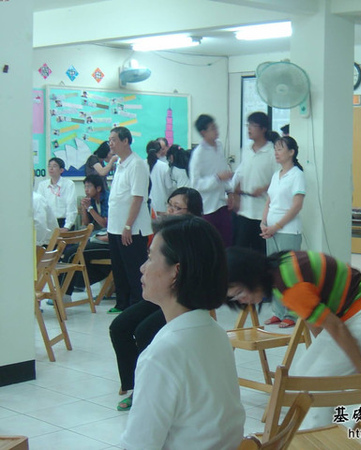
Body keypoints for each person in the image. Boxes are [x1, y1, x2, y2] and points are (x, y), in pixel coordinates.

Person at [226, 247, 361, 428]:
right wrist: (325, 348)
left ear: (250, 276)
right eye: (234, 298)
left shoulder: (289, 288)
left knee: (318, 384)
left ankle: (318, 436)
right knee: (303, 370)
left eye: (239, 293)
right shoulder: (279, 268)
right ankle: (315, 431)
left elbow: (336, 327)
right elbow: (312, 317)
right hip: (354, 310)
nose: (241, 301)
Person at [120, 215, 244, 450]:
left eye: (150, 258)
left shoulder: (161, 355)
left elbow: (139, 445)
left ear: (176, 272)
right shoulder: (215, 332)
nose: (142, 267)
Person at [111, 187, 203, 411]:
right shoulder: (165, 235)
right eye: (169, 205)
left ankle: (150, 388)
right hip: (162, 295)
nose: (170, 211)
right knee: (119, 326)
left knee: (144, 331)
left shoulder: (197, 238)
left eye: (177, 208)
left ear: (192, 212)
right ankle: (135, 384)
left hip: (185, 299)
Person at [260, 136, 306, 328]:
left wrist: (276, 226)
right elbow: (269, 201)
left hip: (288, 230)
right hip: (270, 230)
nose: (276, 153)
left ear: (291, 152)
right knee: (274, 272)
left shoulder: (297, 175)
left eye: (280, 149)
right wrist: (263, 222)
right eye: (275, 149)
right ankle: (278, 312)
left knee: (289, 273)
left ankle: (292, 314)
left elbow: (296, 206)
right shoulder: (276, 175)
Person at [107, 127, 152, 314]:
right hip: (115, 227)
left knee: (134, 268)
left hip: (131, 228)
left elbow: (137, 198)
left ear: (125, 141)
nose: (111, 144)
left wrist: (128, 226)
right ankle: (122, 303)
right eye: (109, 140)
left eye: (114, 140)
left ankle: (136, 305)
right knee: (119, 268)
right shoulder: (119, 163)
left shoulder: (137, 164)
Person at [58, 175, 113, 303]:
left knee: (73, 253)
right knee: (72, 251)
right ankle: (68, 288)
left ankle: (64, 294)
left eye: (89, 186)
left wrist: (90, 209)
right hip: (96, 237)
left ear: (98, 188)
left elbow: (105, 223)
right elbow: (86, 223)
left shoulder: (107, 198)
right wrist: (84, 208)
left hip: (108, 240)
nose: (86, 190)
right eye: (85, 187)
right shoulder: (91, 200)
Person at [231, 111, 280, 253]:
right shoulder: (246, 149)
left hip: (262, 213)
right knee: (241, 251)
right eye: (248, 125)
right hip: (244, 211)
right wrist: (235, 194)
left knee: (261, 253)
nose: (249, 129)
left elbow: (278, 178)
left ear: (263, 129)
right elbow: (240, 173)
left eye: (253, 125)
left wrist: (264, 188)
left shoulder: (272, 152)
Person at [189, 114, 233, 246]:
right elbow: (195, 184)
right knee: (210, 244)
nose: (216, 130)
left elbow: (223, 169)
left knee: (226, 243)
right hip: (207, 207)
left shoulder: (219, 146)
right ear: (203, 132)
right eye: (212, 128)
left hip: (222, 203)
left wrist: (230, 192)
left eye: (216, 127)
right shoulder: (198, 153)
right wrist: (217, 178)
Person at [36, 157, 77, 232]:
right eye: (49, 166)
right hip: (47, 223)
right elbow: (40, 207)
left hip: (64, 222)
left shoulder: (69, 184)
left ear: (61, 170)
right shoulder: (42, 185)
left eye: (54, 166)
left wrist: (67, 226)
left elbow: (71, 206)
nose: (51, 168)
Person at [146, 139, 173, 216]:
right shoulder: (164, 166)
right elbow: (169, 187)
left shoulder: (142, 164)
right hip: (161, 204)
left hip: (145, 203)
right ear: (160, 151)